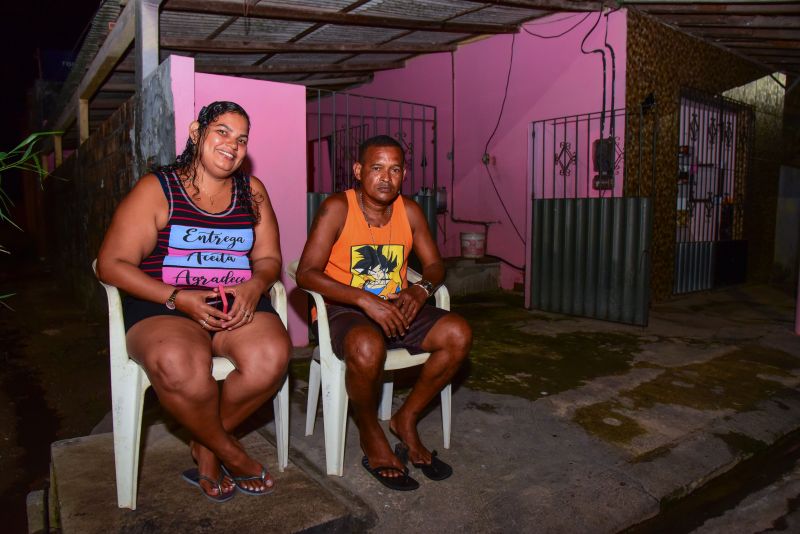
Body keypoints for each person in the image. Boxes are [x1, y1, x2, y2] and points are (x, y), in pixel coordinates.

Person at [96, 101, 290, 502]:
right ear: (196, 132)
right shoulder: (158, 189)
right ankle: (228, 450)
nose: (231, 145)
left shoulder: (251, 192)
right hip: (164, 302)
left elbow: (269, 258)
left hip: (234, 299)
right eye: (221, 131)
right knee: (177, 364)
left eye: (241, 139)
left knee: (271, 356)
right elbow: (111, 265)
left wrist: (255, 287)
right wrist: (177, 298)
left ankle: (206, 444)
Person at [295, 135, 472, 491]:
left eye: (394, 169)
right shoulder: (337, 208)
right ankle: (369, 428)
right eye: (376, 168)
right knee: (365, 346)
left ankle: (405, 418)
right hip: (343, 308)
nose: (385, 178)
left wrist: (420, 289)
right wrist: (362, 299)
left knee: (458, 334)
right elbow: (306, 272)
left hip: (395, 306)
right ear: (359, 171)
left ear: (404, 174)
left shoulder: (409, 211)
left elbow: (435, 265)